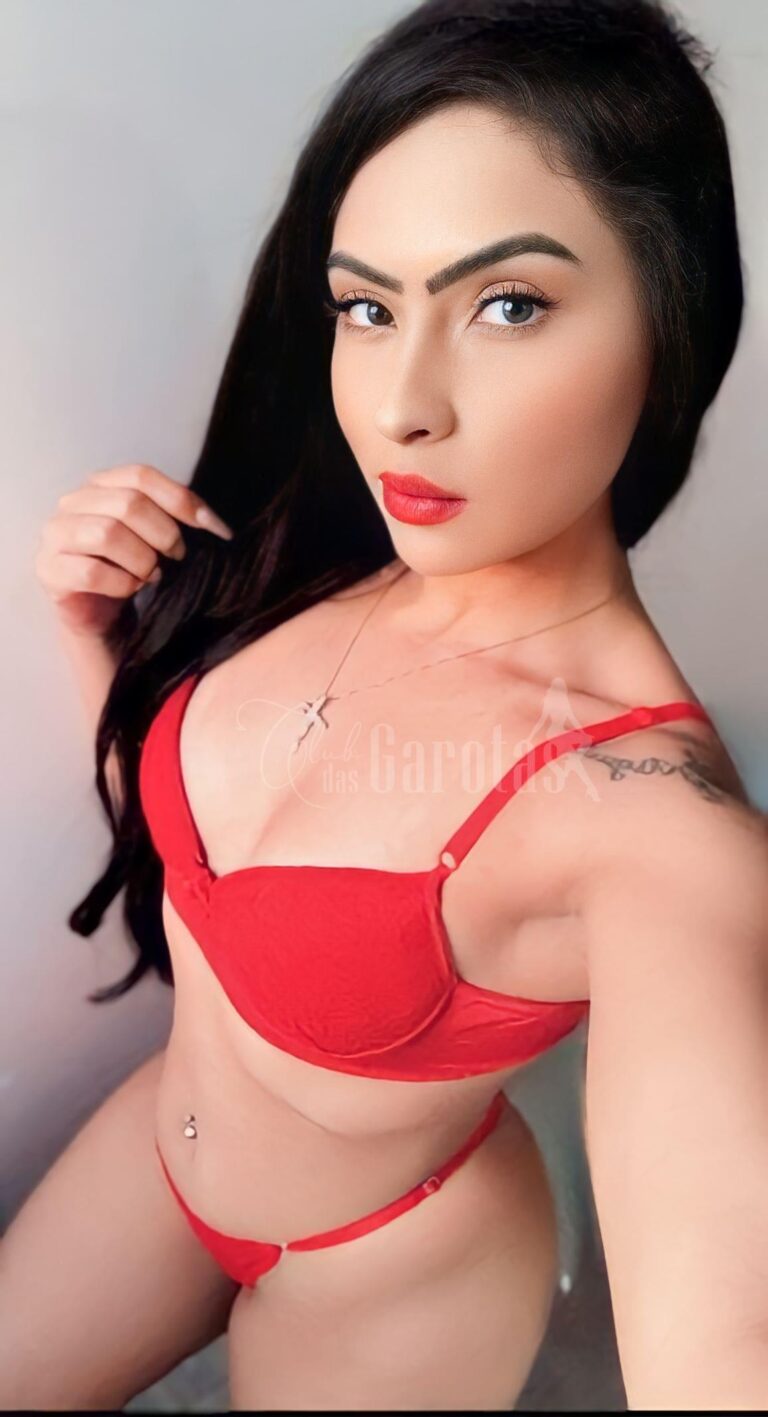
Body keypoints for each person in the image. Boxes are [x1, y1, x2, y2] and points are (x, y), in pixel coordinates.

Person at [6, 0, 767, 1409]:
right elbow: (206, 876)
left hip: (388, 1271)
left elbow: (721, 1351)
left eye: (508, 305)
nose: (401, 405)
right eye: (367, 307)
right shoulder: (309, 561)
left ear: (672, 326)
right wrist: (90, 634)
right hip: (159, 1157)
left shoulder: (655, 826)